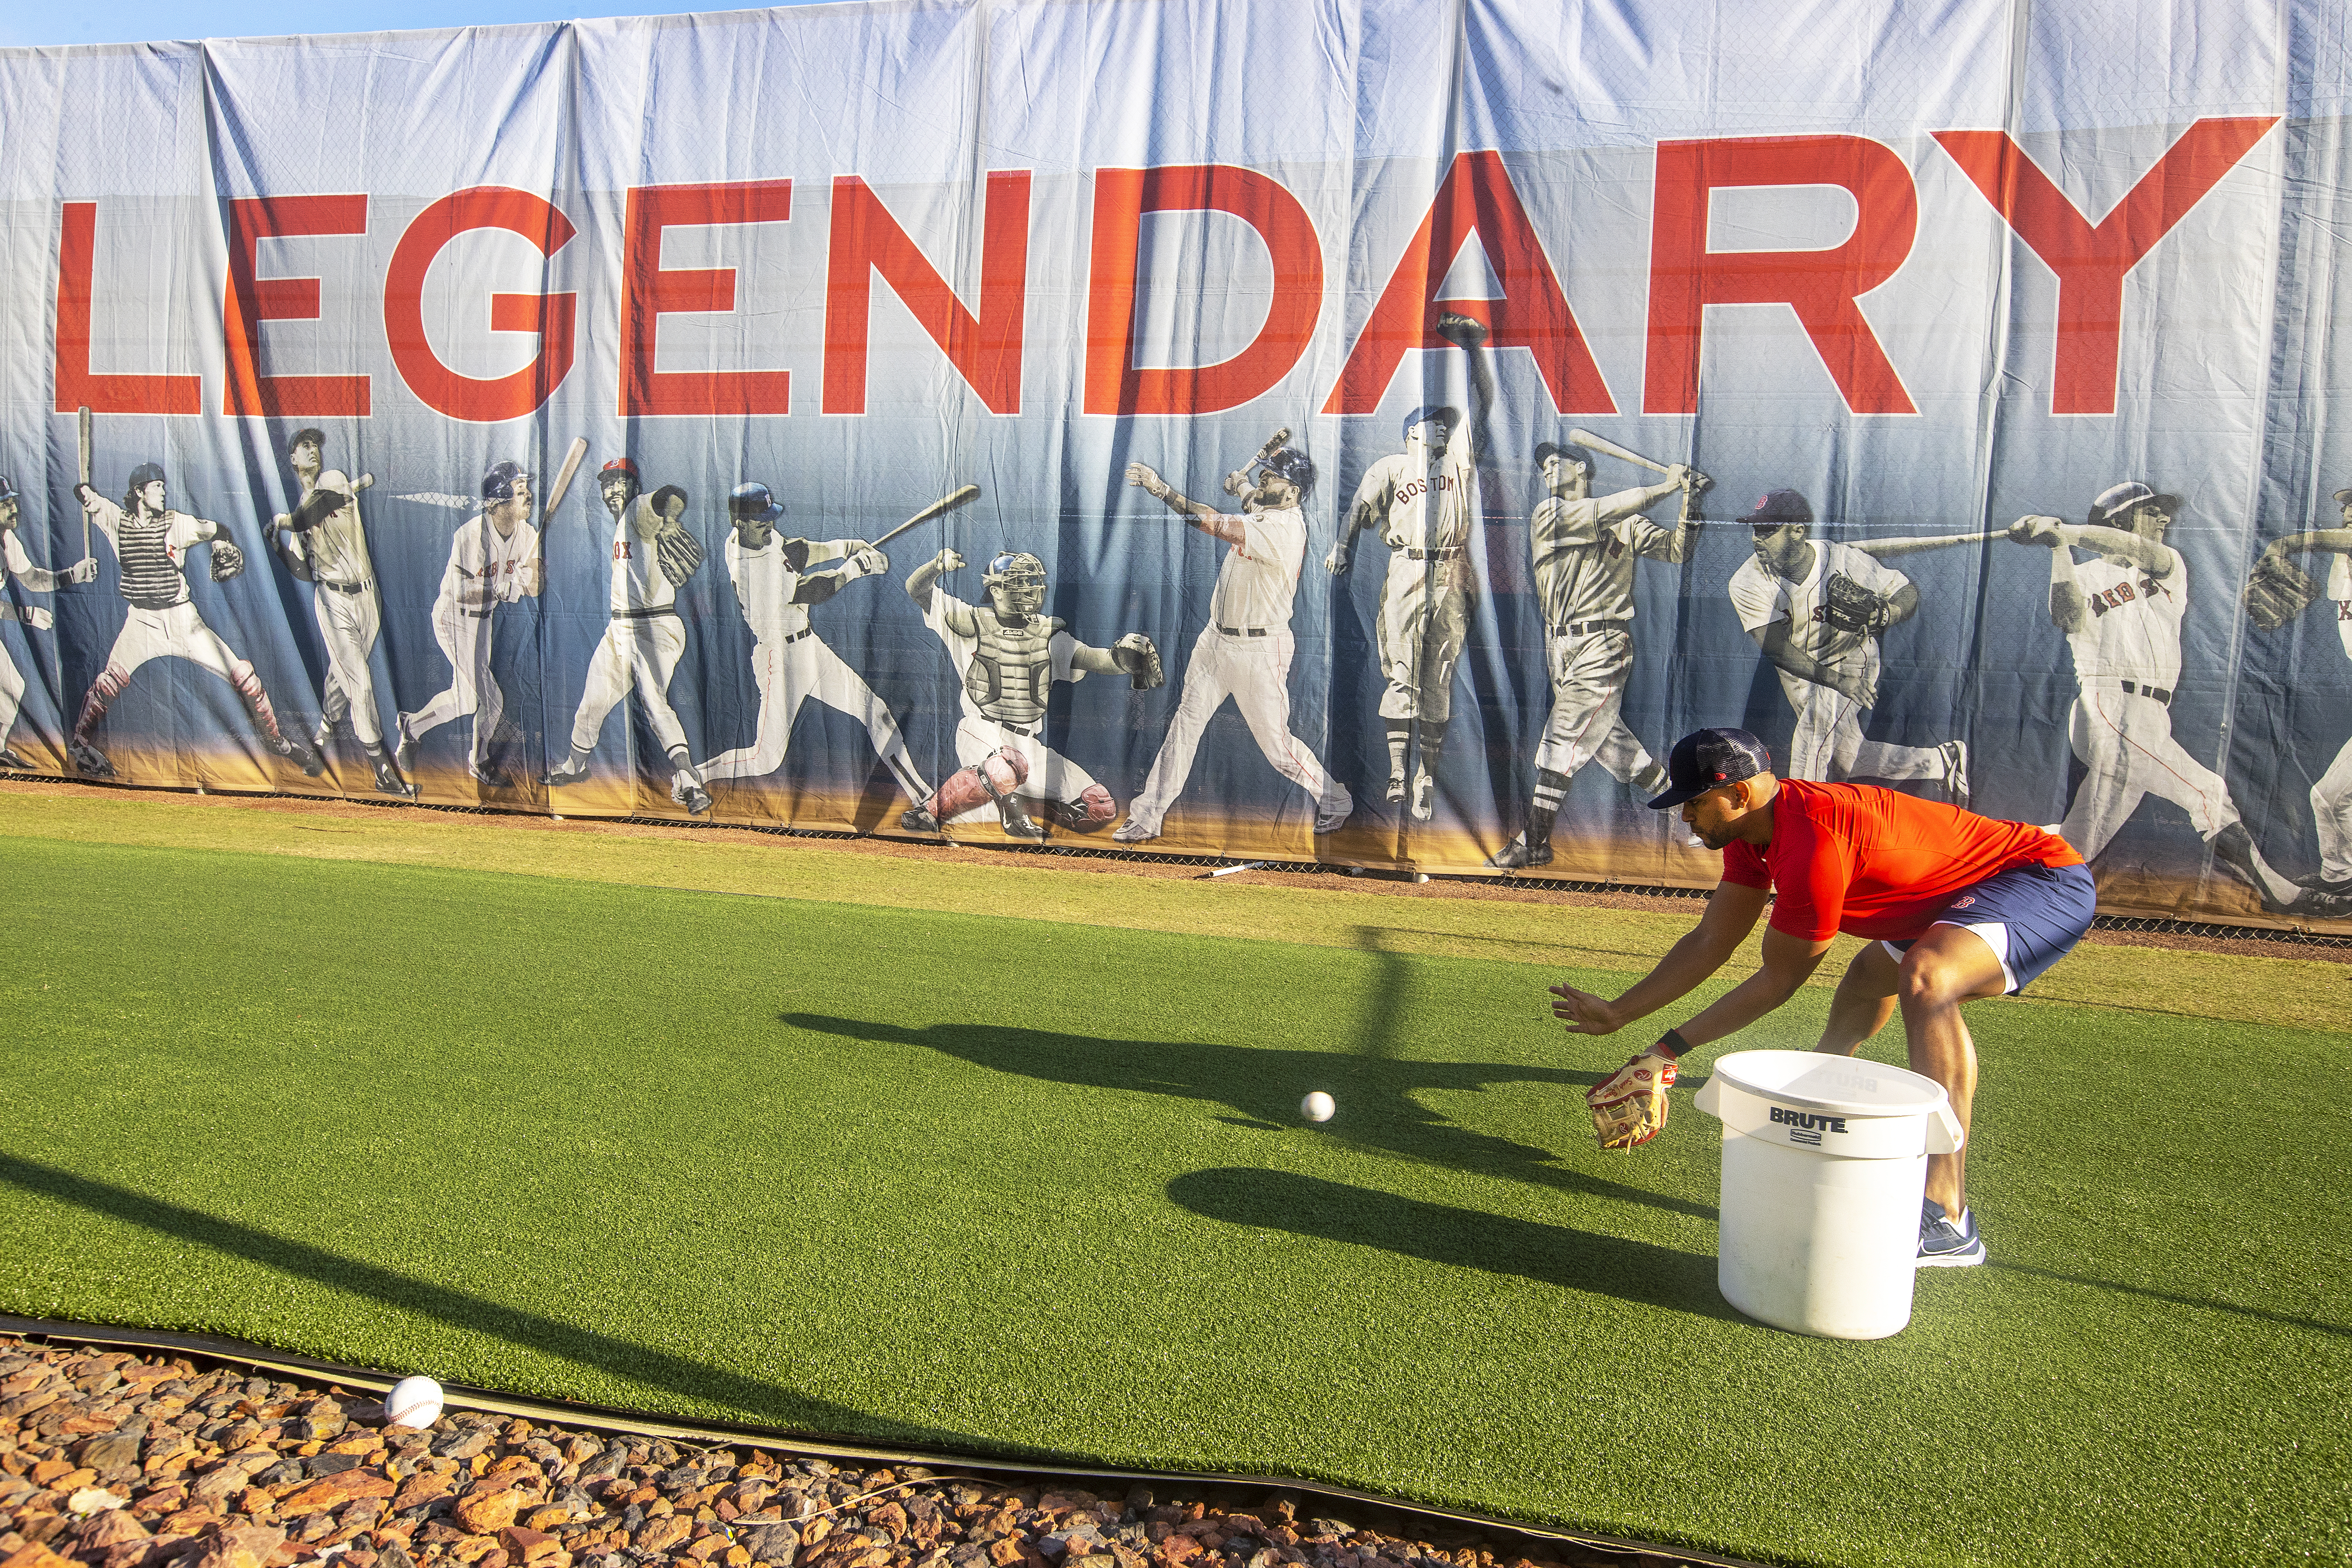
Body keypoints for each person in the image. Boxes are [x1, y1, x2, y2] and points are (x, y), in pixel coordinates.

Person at [1546, 726, 2099, 1267]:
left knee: (1926, 977)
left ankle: (1948, 1214)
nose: (1685, 815)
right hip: (1948, 895)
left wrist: (1666, 1051)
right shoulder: (1752, 838)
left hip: (2039, 880)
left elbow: (1778, 980)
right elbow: (1713, 939)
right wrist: (1622, 1012)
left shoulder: (1812, 838)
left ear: (1739, 794)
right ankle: (1818, 1108)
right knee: (1865, 980)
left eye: (1694, 802)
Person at [2011, 481, 2330, 915]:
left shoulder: (2167, 566)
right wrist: (2058, 548)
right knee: (2207, 792)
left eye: (2164, 512)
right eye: (2151, 511)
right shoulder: (2083, 576)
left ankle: (1986, 858)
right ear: (2120, 518)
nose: (2165, 519)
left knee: (2077, 843)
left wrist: (2063, 531)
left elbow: (2138, 551)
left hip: (2151, 714)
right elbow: (2065, 616)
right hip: (2107, 705)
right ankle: (2280, 893)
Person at [1115, 443, 1351, 842]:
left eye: (1272, 477)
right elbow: (1252, 503)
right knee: (1183, 727)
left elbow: (1217, 524)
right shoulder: (1268, 509)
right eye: (1263, 473)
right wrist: (1243, 484)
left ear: (1293, 493)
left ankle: (1334, 798)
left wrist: (1163, 491)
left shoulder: (1285, 528)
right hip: (1215, 641)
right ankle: (1148, 815)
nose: (1264, 479)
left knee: (1277, 747)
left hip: (1260, 650)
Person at [1488, 443, 1700, 869]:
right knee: (1608, 743)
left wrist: (1689, 503)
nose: (1547, 470)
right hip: (1559, 644)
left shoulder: (1625, 521)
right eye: (1543, 465)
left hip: (1603, 640)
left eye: (1555, 462)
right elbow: (1606, 511)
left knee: (1564, 734)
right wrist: (1667, 485)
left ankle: (1535, 841)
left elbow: (1678, 549)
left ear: (1580, 467)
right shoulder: (1548, 514)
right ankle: (1690, 805)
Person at [1326, 312, 1494, 821]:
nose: (1443, 426)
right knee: (1401, 675)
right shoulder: (1392, 468)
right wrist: (1344, 548)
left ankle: (1426, 776)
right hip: (1405, 568)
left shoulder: (1456, 463)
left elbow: (1483, 405)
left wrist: (1473, 354)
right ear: (1412, 432)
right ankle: (1399, 770)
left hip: (1449, 571)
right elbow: (1356, 511)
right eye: (1433, 423)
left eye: (1447, 424)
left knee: (1437, 678)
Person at [69, 461, 321, 780]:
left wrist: (220, 544)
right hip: (142, 621)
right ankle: (79, 743)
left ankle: (276, 741)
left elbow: (220, 529)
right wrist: (86, 490)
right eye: (156, 486)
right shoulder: (116, 520)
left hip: (183, 620)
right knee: (108, 682)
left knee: (244, 676)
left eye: (163, 485)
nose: (163, 491)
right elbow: (85, 496)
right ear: (138, 492)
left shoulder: (177, 523)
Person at [693, 480, 930, 818]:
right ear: (739, 522)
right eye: (760, 519)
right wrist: (854, 569)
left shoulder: (755, 536)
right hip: (780, 658)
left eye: (769, 516)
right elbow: (812, 590)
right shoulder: (750, 566)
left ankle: (923, 797)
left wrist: (844, 546)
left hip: (809, 647)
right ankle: (693, 776)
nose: (769, 524)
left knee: (876, 713)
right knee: (765, 759)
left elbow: (793, 550)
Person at [903, 547, 1158, 839]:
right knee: (1007, 766)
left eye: (1030, 582)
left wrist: (1125, 659)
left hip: (1029, 743)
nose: (1027, 590)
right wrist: (936, 566)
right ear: (996, 589)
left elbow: (1098, 660)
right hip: (981, 730)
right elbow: (917, 589)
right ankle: (929, 812)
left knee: (1099, 807)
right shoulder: (969, 621)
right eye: (1018, 582)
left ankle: (1018, 805)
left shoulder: (1050, 637)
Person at [1730, 489, 1969, 801]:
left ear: (1798, 531)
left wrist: (1890, 612)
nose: (1756, 539)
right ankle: (1941, 761)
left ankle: (1803, 824)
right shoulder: (1747, 581)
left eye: (1768, 530)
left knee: (1811, 740)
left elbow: (1905, 591)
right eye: (1755, 529)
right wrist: (1834, 681)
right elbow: (1775, 648)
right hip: (1801, 672)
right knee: (1848, 758)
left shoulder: (1843, 559)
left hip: (1852, 659)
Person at [544, 458, 712, 815]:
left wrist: (667, 518)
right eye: (607, 483)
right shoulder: (621, 523)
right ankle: (575, 766)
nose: (613, 489)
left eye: (621, 481)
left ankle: (688, 778)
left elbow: (673, 495)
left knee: (654, 702)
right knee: (592, 702)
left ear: (635, 488)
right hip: (619, 628)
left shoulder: (638, 510)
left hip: (655, 627)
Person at [260, 428, 413, 798]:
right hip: (332, 600)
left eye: (316, 445)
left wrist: (280, 523)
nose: (312, 450)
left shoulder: (332, 481)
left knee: (341, 671)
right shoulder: (301, 504)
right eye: (304, 446)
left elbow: (304, 516)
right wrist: (279, 549)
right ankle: (380, 768)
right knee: (359, 681)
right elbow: (301, 571)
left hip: (366, 595)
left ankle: (326, 727)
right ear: (293, 459)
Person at [396, 460, 541, 790]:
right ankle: (479, 762)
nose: (528, 496)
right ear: (500, 502)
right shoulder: (471, 536)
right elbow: (463, 593)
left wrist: (531, 575)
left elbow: (535, 588)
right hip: (454, 619)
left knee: (464, 700)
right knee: (491, 699)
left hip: (484, 623)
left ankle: (412, 727)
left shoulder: (528, 533)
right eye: (520, 492)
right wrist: (500, 588)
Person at [2248, 482, 2352, 895]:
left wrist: (2287, 544)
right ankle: (2339, 878)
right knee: (2328, 797)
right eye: (2346, 508)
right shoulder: (2342, 568)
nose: (2349, 513)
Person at [0, 472, 97, 769]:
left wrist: (71, 575)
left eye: (12, 501)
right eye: (5, 504)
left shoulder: (6, 539)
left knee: (12, 686)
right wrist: (26, 615)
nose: (14, 508)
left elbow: (31, 578)